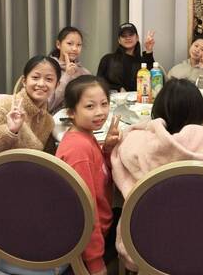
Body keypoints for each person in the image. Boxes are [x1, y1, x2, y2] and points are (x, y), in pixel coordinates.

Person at [111, 78, 203, 270]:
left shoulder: (138, 144)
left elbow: (123, 140)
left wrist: (151, 125)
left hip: (151, 241)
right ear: (201, 112)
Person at [0, 55, 61, 193]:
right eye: (35, 77)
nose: (41, 84)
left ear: (57, 85)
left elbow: (45, 159)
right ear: (24, 81)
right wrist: (9, 132)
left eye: (49, 79)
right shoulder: (5, 107)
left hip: (20, 182)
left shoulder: (48, 121)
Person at [56, 76, 121, 275]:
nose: (100, 112)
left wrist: (107, 149)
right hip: (87, 238)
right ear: (71, 112)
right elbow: (85, 210)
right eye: (90, 106)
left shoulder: (85, 134)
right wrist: (95, 261)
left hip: (99, 225)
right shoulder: (78, 150)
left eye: (104, 104)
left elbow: (100, 174)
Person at [96, 23, 155, 91]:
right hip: (113, 97)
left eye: (131, 35)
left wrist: (149, 50)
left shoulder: (143, 62)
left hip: (139, 97)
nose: (128, 38)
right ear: (119, 40)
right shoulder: (108, 59)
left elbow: (154, 81)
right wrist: (117, 88)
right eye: (124, 36)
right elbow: (98, 83)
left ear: (137, 38)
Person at [48, 26, 90, 112]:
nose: (74, 49)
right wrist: (67, 75)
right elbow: (48, 105)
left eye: (78, 45)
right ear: (58, 44)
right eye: (70, 43)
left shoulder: (84, 73)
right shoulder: (48, 68)